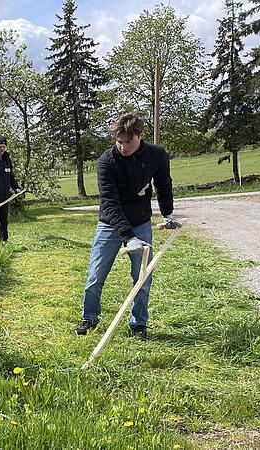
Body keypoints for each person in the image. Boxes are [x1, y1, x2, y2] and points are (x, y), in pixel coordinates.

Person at [75, 112, 182, 340]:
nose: (123, 147)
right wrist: (128, 236)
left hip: (141, 221)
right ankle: (89, 317)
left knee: (142, 276)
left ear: (141, 136)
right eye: (119, 142)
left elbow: (163, 184)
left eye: (128, 142)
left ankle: (139, 324)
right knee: (95, 274)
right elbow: (110, 203)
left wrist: (168, 213)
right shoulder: (107, 161)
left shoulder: (156, 155)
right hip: (110, 224)